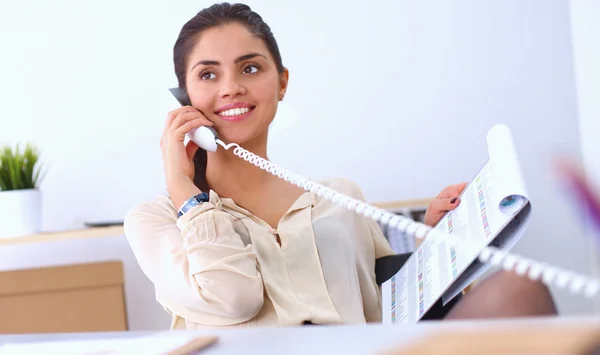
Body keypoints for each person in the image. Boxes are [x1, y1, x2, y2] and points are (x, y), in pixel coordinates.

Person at [124, 2, 557, 330]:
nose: (232, 88)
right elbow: (232, 299)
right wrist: (184, 189)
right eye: (208, 75)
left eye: (250, 68)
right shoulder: (156, 220)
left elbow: (395, 308)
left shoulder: (341, 196)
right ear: (184, 98)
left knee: (521, 288)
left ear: (281, 82)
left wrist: (436, 242)